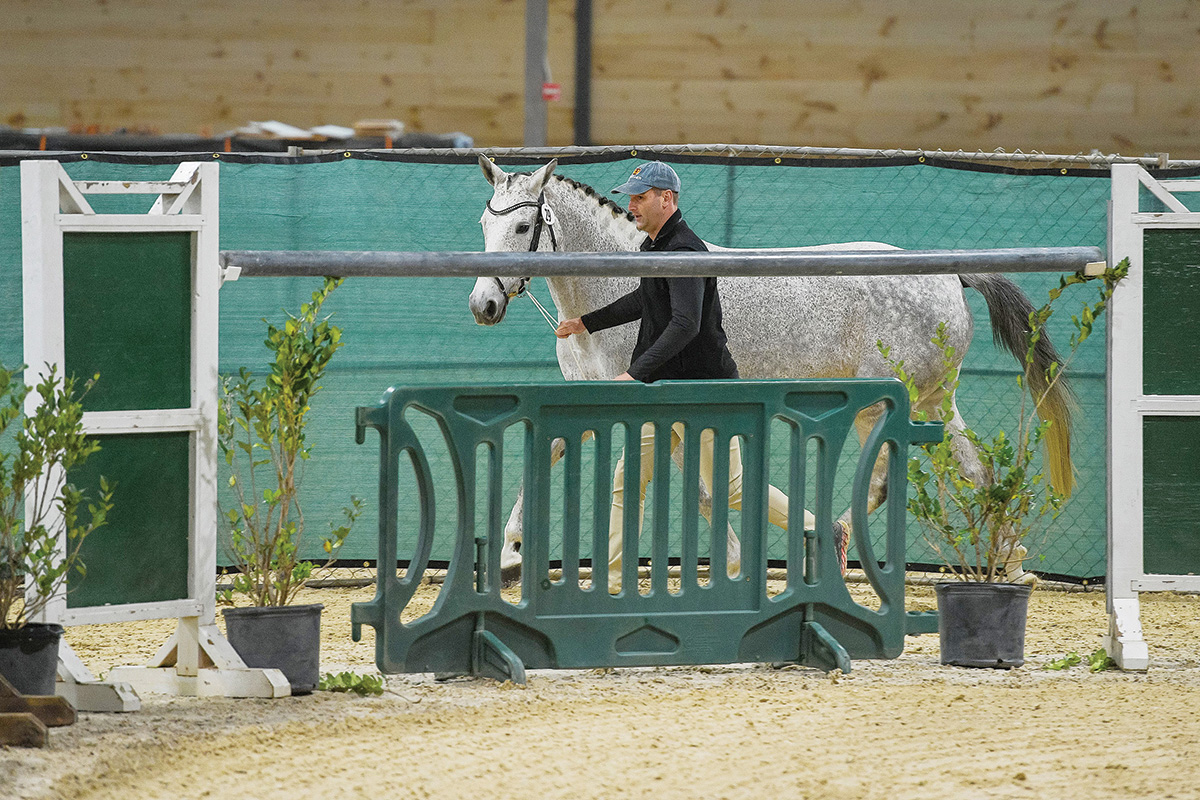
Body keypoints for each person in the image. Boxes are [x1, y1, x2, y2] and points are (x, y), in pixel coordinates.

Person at [555, 161, 792, 593]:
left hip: (700, 392)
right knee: (627, 483)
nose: (631, 205)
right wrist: (585, 322)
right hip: (665, 391)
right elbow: (645, 299)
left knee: (733, 490)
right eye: (630, 197)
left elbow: (686, 324)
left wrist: (633, 374)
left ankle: (819, 531)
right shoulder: (657, 248)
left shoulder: (684, 252)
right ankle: (610, 582)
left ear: (667, 199)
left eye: (640, 197)